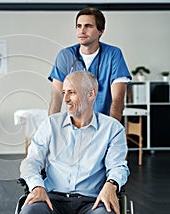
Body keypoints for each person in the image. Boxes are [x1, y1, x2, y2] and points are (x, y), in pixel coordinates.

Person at [20, 71, 130, 214]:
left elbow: (118, 166)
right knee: (30, 212)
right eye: (64, 92)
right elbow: (31, 162)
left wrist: (111, 184)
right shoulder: (51, 124)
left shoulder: (113, 129)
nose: (65, 99)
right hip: (51, 199)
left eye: (71, 92)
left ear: (91, 94)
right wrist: (37, 187)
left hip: (93, 202)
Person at [48, 7, 131, 122]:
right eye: (79, 26)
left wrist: (111, 130)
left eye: (88, 26)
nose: (82, 31)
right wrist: (52, 129)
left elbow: (117, 99)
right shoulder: (65, 55)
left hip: (104, 123)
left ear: (100, 31)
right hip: (74, 125)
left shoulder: (113, 54)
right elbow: (56, 98)